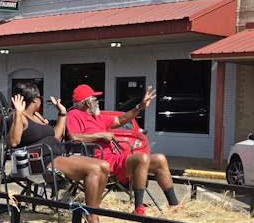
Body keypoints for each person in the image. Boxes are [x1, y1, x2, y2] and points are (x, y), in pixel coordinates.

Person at [8, 82, 113, 223]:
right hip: (42, 161)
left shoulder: (37, 116)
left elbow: (56, 137)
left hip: (56, 154)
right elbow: (14, 141)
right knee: (94, 169)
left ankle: (93, 214)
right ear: (36, 100)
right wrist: (18, 113)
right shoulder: (19, 117)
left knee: (104, 166)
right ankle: (92, 220)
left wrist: (62, 113)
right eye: (40, 98)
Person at [66, 84, 181, 216]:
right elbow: (74, 137)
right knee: (142, 158)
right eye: (94, 98)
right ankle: (139, 209)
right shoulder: (74, 114)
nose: (97, 101)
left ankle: (174, 205)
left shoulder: (96, 117)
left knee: (160, 159)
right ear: (86, 102)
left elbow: (121, 119)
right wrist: (101, 135)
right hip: (101, 160)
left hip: (118, 157)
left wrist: (140, 107)